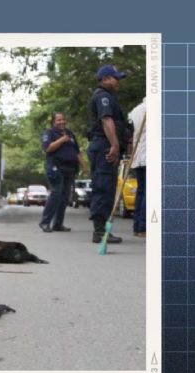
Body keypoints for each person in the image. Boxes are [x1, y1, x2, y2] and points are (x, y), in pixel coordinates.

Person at [87, 65, 132, 244]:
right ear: (105, 78)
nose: (118, 82)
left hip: (106, 145)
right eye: (116, 78)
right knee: (103, 188)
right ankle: (99, 232)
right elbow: (106, 120)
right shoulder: (103, 97)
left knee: (107, 189)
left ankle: (103, 230)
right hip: (104, 146)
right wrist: (114, 144)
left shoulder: (108, 97)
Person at [39, 112, 87, 233]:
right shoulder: (49, 133)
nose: (62, 122)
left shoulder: (70, 133)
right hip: (55, 167)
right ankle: (45, 223)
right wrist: (61, 140)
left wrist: (84, 166)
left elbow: (77, 152)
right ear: (53, 122)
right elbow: (47, 148)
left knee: (64, 197)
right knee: (56, 193)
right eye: (59, 120)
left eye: (63, 119)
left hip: (69, 169)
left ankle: (58, 224)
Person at [128, 98, 147, 237]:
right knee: (148, 192)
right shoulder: (156, 109)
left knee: (141, 191)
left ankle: (137, 226)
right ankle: (144, 226)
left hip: (138, 157)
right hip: (149, 156)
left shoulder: (134, 111)